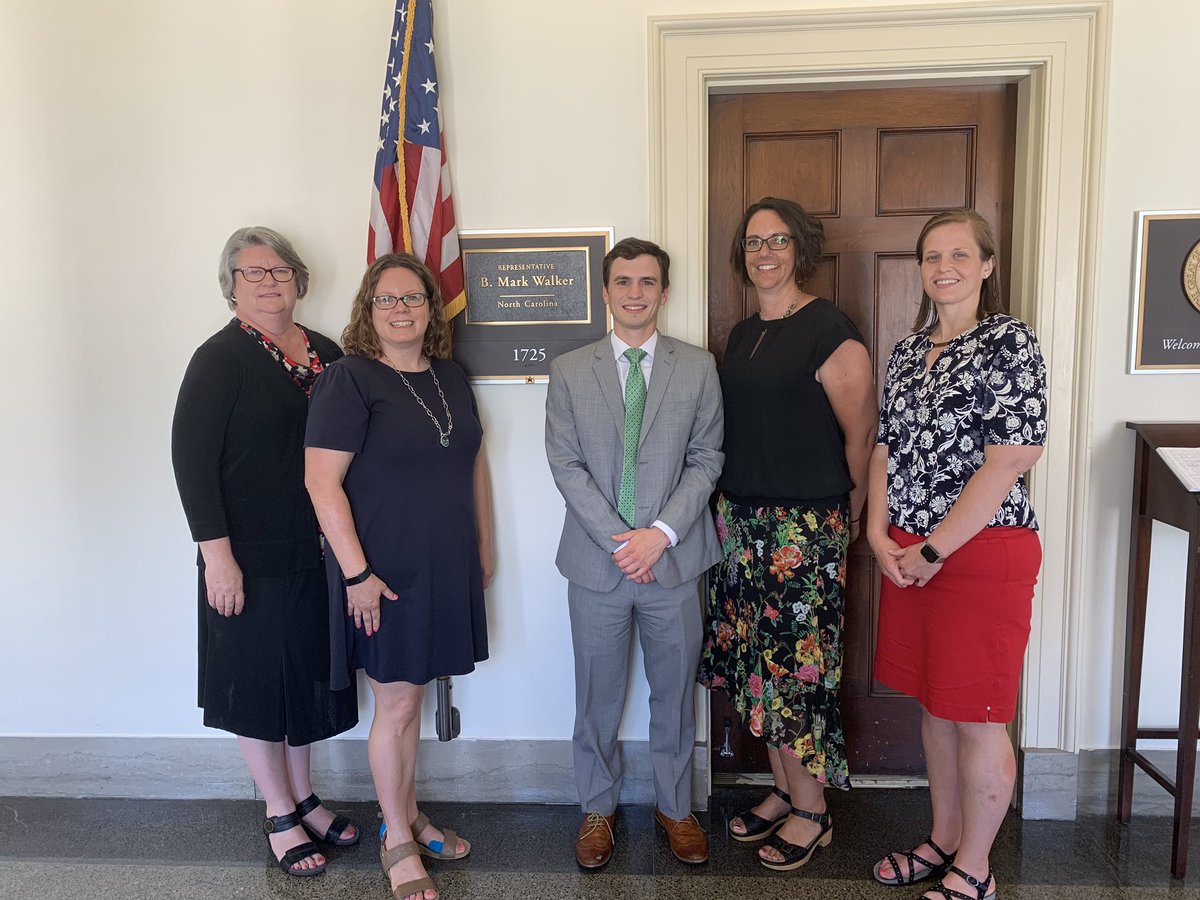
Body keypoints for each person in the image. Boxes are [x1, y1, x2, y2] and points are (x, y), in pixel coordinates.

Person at [868, 208, 1047, 900]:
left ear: (987, 265)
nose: (944, 266)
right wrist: (878, 532)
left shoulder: (1009, 342)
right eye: (933, 255)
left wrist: (937, 548)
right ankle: (943, 837)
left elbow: (1010, 459)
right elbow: (885, 446)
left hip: (979, 552)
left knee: (977, 711)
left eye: (960, 254)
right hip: (910, 555)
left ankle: (976, 866)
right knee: (935, 706)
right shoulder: (910, 351)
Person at [171, 226, 360, 878]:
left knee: (304, 679)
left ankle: (305, 796)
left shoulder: (328, 353)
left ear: (298, 279)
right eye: (253, 272)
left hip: (317, 551)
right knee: (258, 684)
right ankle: (278, 810)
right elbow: (192, 464)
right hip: (247, 554)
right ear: (232, 285)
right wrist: (216, 558)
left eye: (280, 270)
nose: (270, 281)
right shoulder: (218, 359)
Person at [304, 253, 492, 900]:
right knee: (398, 703)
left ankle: (408, 813)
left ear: (429, 308)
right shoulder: (349, 380)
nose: (402, 309)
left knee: (410, 699)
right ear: (368, 310)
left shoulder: (449, 375)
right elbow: (320, 482)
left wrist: (484, 548)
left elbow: (473, 466)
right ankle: (397, 842)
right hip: (381, 572)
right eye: (387, 300)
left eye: (412, 298)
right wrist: (357, 574)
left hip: (446, 563)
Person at [697, 197, 877, 872]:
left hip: (805, 528)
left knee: (794, 672)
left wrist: (852, 515)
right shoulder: (744, 334)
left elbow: (860, 435)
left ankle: (813, 811)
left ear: (799, 249)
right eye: (752, 243)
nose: (764, 253)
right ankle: (783, 788)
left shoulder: (829, 330)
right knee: (756, 670)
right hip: (741, 525)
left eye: (777, 241)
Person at [545, 237, 724, 870]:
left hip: (674, 562)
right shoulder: (570, 370)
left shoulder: (698, 367)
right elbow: (565, 465)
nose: (635, 293)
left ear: (664, 292)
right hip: (597, 565)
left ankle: (676, 807)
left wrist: (661, 535)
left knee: (673, 694)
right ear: (605, 291)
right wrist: (622, 541)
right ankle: (598, 807)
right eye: (623, 281)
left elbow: (708, 459)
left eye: (647, 282)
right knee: (596, 693)